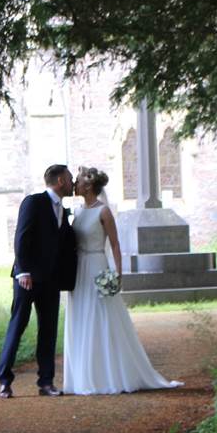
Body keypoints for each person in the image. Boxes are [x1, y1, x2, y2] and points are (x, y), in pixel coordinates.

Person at [63, 166, 182, 395]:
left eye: (77, 181)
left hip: (97, 265)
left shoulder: (103, 212)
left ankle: (108, 373)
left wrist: (118, 273)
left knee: (102, 316)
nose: (74, 185)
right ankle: (84, 374)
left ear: (88, 186)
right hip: (79, 269)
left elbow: (115, 244)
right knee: (81, 316)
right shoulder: (77, 212)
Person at [0, 164, 77, 398]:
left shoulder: (63, 209)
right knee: (18, 324)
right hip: (27, 279)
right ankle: (4, 380)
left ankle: (46, 382)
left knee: (49, 330)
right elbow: (21, 237)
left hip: (51, 280)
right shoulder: (33, 202)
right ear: (60, 180)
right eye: (71, 179)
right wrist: (22, 272)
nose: (73, 183)